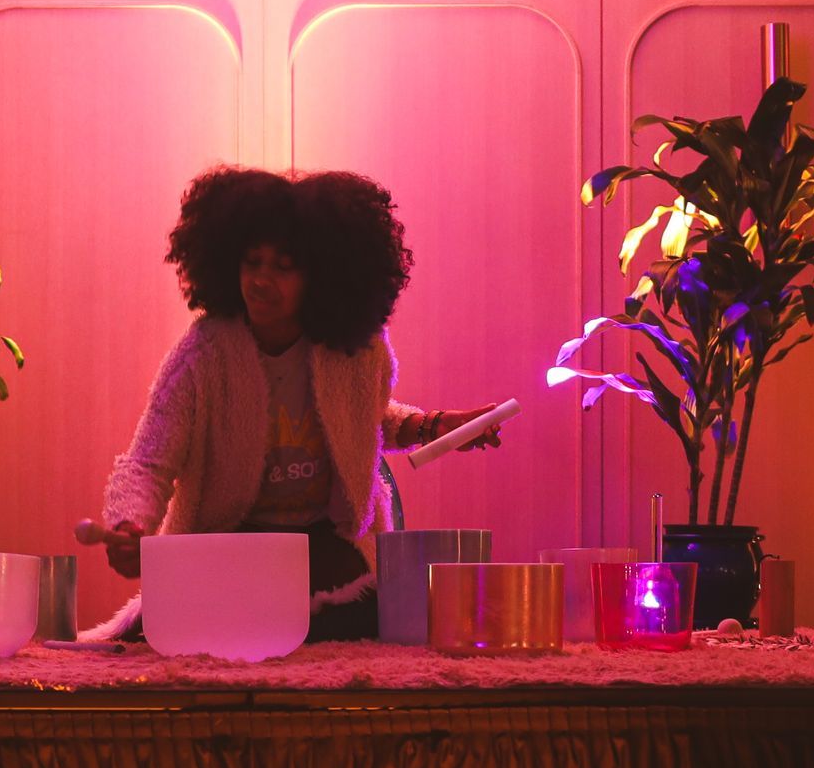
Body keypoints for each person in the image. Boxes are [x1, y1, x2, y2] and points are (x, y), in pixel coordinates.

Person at [87, 166, 505, 641]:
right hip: (230, 543)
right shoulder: (205, 353)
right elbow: (148, 461)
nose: (261, 280)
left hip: (327, 549)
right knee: (213, 626)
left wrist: (430, 426)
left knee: (372, 618)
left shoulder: (357, 351)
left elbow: (362, 418)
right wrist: (129, 523)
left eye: (283, 267)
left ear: (321, 276)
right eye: (252, 262)